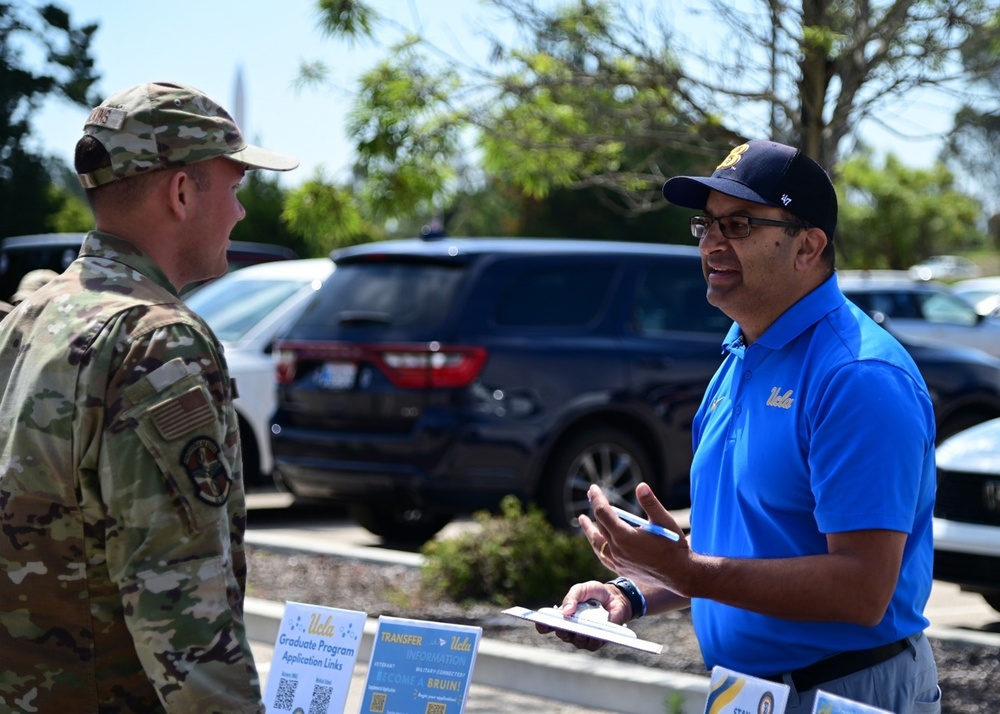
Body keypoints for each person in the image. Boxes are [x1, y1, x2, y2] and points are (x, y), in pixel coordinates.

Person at [541, 140, 941, 713]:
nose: (710, 243)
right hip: (746, 694)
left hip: (844, 691)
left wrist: (688, 571)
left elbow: (861, 590)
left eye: (739, 224)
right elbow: (742, 542)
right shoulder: (740, 355)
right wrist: (631, 592)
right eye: (706, 224)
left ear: (808, 245)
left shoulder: (857, 376)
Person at [0, 81, 297, 712]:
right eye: (235, 186)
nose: (241, 213)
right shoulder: (157, 342)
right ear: (183, 192)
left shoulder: (32, 317)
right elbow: (181, 609)